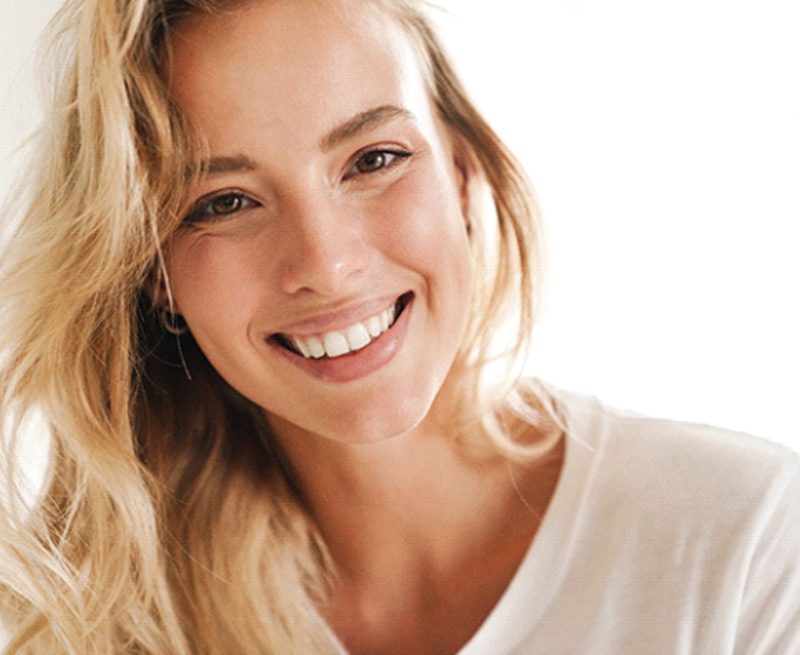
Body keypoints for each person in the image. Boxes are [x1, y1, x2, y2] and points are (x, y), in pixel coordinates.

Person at [0, 1, 797, 654]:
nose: (327, 263)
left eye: (373, 159)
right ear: (154, 271)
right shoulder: (101, 630)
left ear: (462, 170)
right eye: (224, 202)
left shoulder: (749, 544)